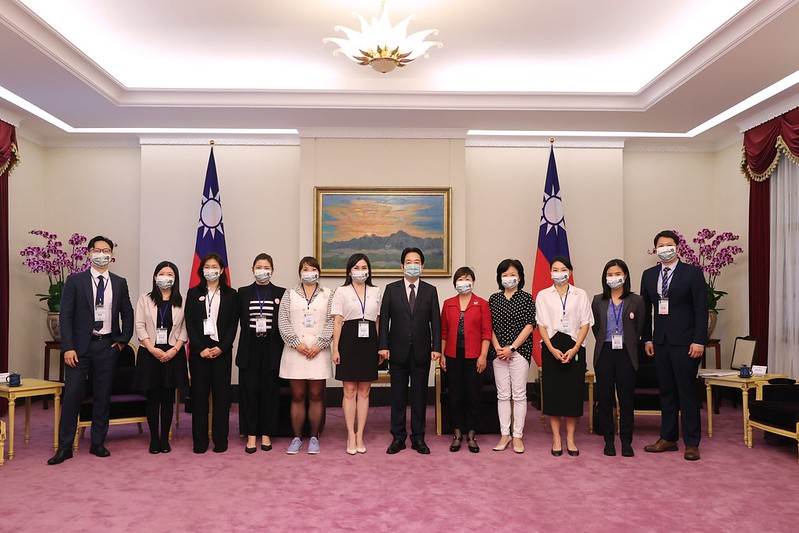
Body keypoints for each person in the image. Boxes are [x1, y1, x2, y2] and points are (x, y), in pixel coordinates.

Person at [48, 235, 134, 465]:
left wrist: (122, 341)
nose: (102, 254)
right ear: (89, 253)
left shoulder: (119, 282)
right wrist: (68, 347)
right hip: (78, 349)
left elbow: (127, 313)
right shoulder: (75, 281)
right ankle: (65, 447)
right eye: (98, 250)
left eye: (107, 251)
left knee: (102, 396)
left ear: (112, 255)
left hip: (107, 347)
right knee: (72, 395)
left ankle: (98, 442)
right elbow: (65, 316)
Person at [641, 230, 708, 461]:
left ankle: (692, 442)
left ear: (678, 248)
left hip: (687, 343)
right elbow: (646, 311)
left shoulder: (692, 273)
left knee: (687, 392)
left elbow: (701, 309)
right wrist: (647, 339)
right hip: (660, 342)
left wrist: (699, 340)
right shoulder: (649, 275)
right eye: (660, 245)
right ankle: (668, 438)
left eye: (669, 244)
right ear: (655, 249)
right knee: (667, 391)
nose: (665, 248)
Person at [379, 247, 442, 455]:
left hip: (422, 351)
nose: (412, 266)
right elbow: (384, 320)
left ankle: (418, 438)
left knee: (419, 397)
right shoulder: (391, 289)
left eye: (416, 262)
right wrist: (383, 346)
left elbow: (436, 322)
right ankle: (398, 438)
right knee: (397, 396)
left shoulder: (430, 291)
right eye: (408, 262)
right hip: (397, 351)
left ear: (422, 266)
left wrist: (436, 348)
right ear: (402, 266)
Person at [536, 256, 593, 457]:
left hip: (574, 347)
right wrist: (551, 349)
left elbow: (586, 323)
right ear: (550, 272)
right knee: (554, 394)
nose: (559, 273)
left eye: (563, 269)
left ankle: (570, 438)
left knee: (572, 394)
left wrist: (576, 347)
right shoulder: (543, 295)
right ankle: (556, 438)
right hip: (551, 346)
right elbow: (540, 324)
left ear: (570, 272)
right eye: (555, 269)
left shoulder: (580, 294)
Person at [278, 256, 334, 455]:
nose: (309, 273)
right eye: (305, 269)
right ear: (300, 273)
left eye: (313, 269)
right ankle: (296, 438)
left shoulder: (328, 294)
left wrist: (319, 345)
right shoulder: (289, 293)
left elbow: (332, 321)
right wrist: (297, 344)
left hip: (319, 352)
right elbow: (283, 321)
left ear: (319, 272)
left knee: (316, 396)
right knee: (298, 396)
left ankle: (314, 437)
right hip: (295, 352)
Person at [184, 252, 238, 454]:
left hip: (221, 352)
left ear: (222, 270)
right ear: (202, 270)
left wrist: (222, 347)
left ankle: (220, 440)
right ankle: (200, 442)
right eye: (207, 267)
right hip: (200, 353)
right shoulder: (193, 293)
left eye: (214, 267)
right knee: (199, 398)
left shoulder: (231, 294)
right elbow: (190, 323)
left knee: (222, 398)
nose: (210, 270)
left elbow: (233, 324)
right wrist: (200, 348)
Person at [133, 261, 188, 454]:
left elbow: (185, 328)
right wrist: (152, 348)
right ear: (155, 277)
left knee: (167, 397)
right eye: (162, 273)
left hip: (173, 353)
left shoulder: (182, 300)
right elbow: (139, 326)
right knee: (152, 397)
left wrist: (175, 349)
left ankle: (165, 438)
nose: (166, 277)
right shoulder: (145, 299)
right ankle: (154, 438)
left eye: (170, 274)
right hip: (149, 353)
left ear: (175, 278)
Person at [591, 259, 644, 457]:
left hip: (626, 353)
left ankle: (626, 441)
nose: (614, 278)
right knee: (605, 399)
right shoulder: (598, 300)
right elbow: (596, 327)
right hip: (604, 352)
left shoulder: (637, 300)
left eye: (617, 274)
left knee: (626, 399)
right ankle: (609, 440)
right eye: (610, 275)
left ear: (625, 276)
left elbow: (639, 328)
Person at [331, 254, 382, 455]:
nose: (360, 271)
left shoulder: (375, 291)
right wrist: (335, 348)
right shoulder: (341, 291)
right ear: (349, 271)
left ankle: (360, 434)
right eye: (356, 267)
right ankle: (350, 435)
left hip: (369, 342)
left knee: (365, 391)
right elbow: (337, 322)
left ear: (368, 270)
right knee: (349, 390)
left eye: (363, 267)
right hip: (348, 341)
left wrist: (380, 346)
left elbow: (377, 321)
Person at [236, 253, 286, 454]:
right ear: (252, 269)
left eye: (266, 267)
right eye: (258, 267)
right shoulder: (243, 293)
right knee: (249, 393)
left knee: (269, 393)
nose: (262, 271)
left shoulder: (281, 293)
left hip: (271, 349)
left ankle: (266, 433)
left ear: (272, 270)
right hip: (249, 348)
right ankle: (250, 434)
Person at [440, 266, 491, 453]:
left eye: (467, 279)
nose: (464, 282)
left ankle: (471, 434)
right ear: (455, 283)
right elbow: (444, 332)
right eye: (460, 279)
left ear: (473, 281)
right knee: (455, 396)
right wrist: (442, 355)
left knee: (473, 395)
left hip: (474, 356)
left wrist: (483, 355)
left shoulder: (482, 304)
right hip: (453, 356)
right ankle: (457, 434)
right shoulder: (448, 304)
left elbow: (486, 332)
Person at [488, 259, 536, 454]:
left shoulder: (526, 298)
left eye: (513, 274)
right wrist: (498, 347)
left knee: (519, 394)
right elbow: (488, 326)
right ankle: (504, 434)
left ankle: (517, 435)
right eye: (505, 275)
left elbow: (529, 326)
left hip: (520, 352)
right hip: (498, 353)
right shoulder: (494, 299)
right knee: (502, 395)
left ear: (520, 277)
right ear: (500, 278)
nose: (509, 278)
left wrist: (512, 348)